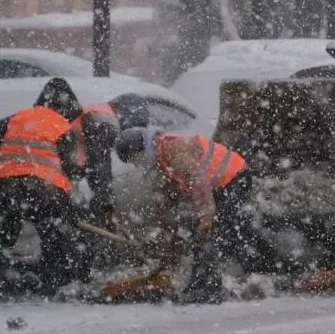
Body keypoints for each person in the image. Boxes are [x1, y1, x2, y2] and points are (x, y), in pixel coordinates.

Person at [116, 128, 271, 303]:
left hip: (234, 177)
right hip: (219, 186)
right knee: (226, 232)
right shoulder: (160, 157)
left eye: (135, 160)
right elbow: (166, 196)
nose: (137, 165)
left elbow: (198, 183)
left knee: (217, 233)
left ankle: (212, 287)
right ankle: (263, 266)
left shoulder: (172, 149)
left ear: (141, 150)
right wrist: (169, 234)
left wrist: (206, 218)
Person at [0, 77, 86, 294]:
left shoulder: (14, 118)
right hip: (43, 189)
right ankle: (53, 281)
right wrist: (70, 204)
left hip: (5, 187)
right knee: (54, 231)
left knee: (4, 231)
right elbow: (72, 169)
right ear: (66, 106)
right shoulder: (62, 126)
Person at [70, 93, 150, 226]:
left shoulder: (101, 112)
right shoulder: (105, 122)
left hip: (58, 160)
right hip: (52, 163)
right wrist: (106, 203)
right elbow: (99, 164)